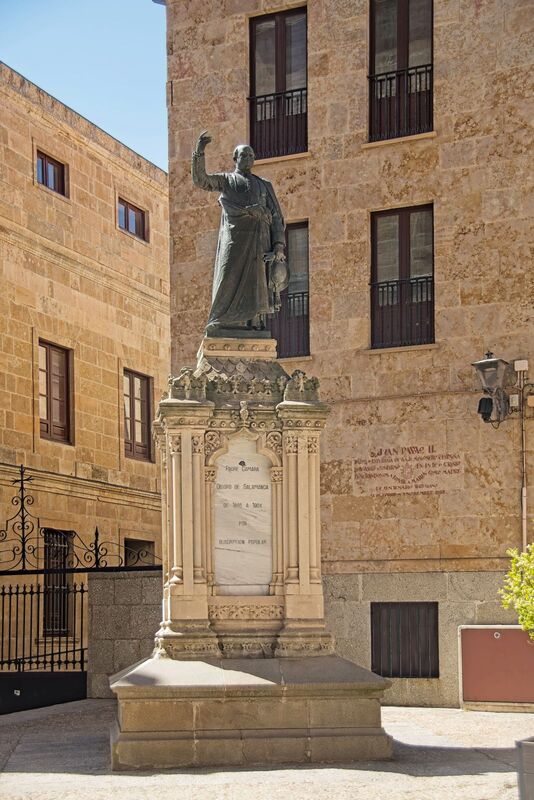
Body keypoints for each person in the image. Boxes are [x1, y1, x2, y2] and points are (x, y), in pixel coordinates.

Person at [192, 131, 288, 336]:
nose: (248, 159)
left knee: (256, 285)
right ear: (235, 159)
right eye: (244, 155)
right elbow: (201, 180)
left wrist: (279, 245)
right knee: (228, 275)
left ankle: (253, 323)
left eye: (251, 155)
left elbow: (277, 217)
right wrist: (199, 152)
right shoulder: (226, 180)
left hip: (258, 242)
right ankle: (220, 320)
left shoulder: (264, 185)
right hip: (234, 240)